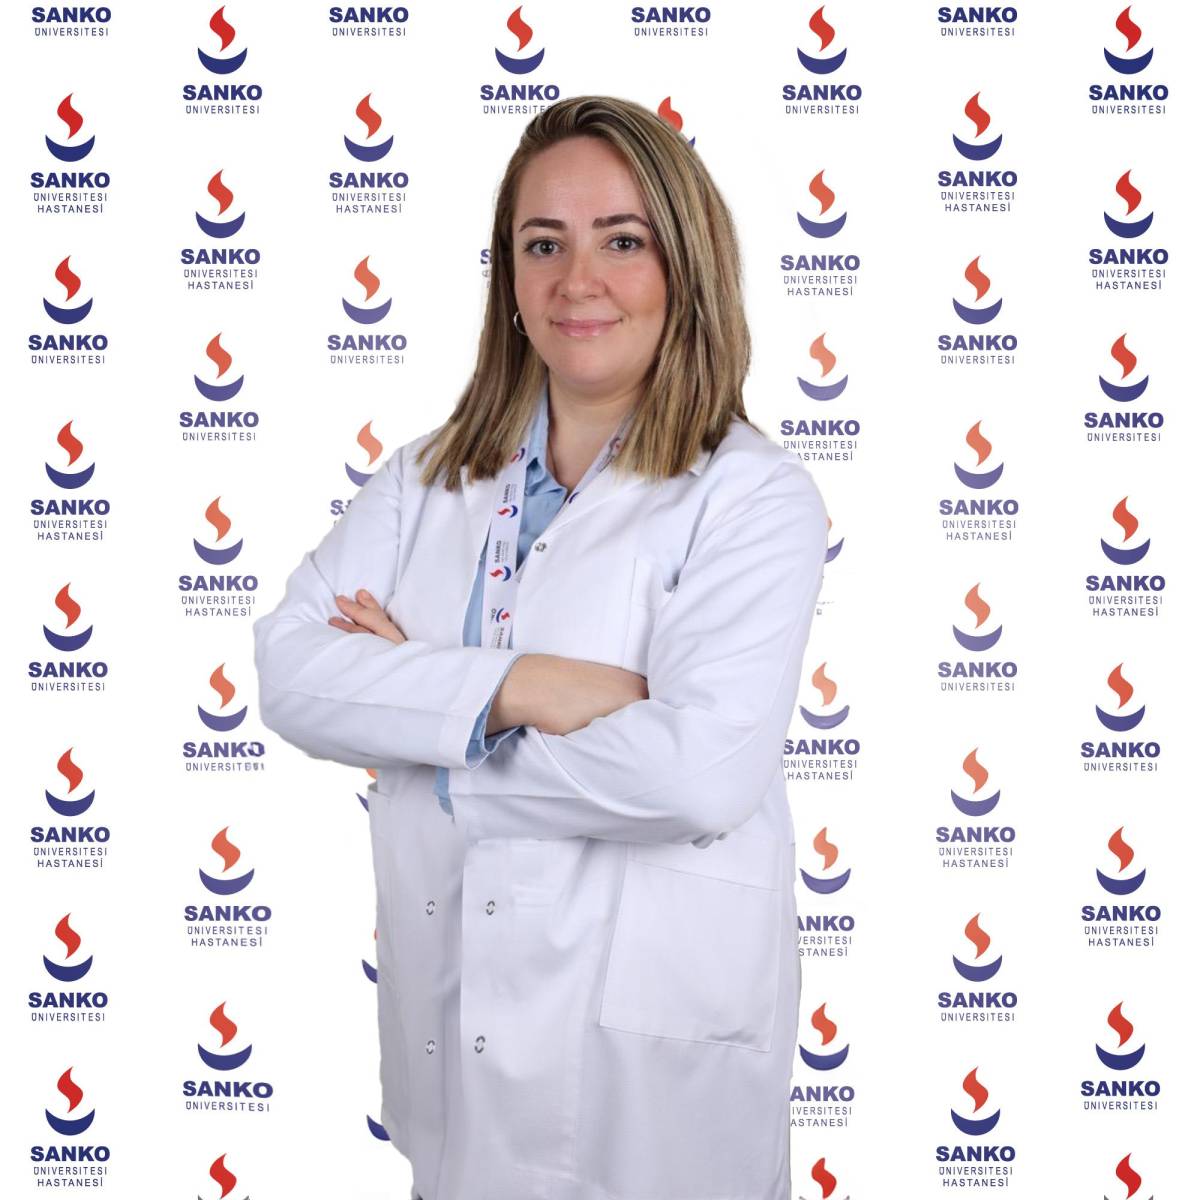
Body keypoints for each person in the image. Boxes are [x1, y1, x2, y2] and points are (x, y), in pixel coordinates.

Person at [253, 95, 827, 1200]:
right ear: (508, 277)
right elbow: (292, 672)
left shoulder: (753, 498)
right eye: (543, 244)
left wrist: (427, 734)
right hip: (452, 1015)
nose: (578, 281)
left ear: (688, 265)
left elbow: (699, 774)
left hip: (652, 1060)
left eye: (623, 241)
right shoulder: (427, 479)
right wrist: (529, 686)